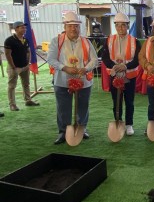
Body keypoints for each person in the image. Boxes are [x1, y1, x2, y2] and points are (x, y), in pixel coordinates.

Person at [47, 12, 98, 144]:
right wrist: (65, 68)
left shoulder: (86, 42)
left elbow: (94, 60)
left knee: (83, 106)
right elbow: (51, 59)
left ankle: (82, 128)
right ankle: (63, 132)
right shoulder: (56, 41)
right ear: (65, 26)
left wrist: (86, 68)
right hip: (62, 80)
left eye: (76, 26)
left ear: (79, 27)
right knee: (63, 107)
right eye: (70, 26)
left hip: (83, 80)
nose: (73, 29)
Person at [102, 13, 140, 136]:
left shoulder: (134, 41)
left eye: (123, 25)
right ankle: (118, 121)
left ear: (128, 26)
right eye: (117, 25)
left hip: (129, 76)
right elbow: (105, 56)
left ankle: (129, 124)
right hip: (114, 75)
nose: (120, 28)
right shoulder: (109, 40)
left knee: (129, 101)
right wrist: (114, 66)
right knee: (116, 101)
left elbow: (137, 59)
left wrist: (125, 66)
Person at [4, 21, 40, 111]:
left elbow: (28, 51)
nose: (24, 29)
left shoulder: (25, 39)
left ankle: (28, 100)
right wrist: (13, 66)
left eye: (25, 27)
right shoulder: (9, 40)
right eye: (22, 27)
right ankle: (12, 105)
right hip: (14, 67)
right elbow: (7, 54)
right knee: (12, 86)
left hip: (25, 66)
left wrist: (28, 63)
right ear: (16, 29)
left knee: (26, 84)